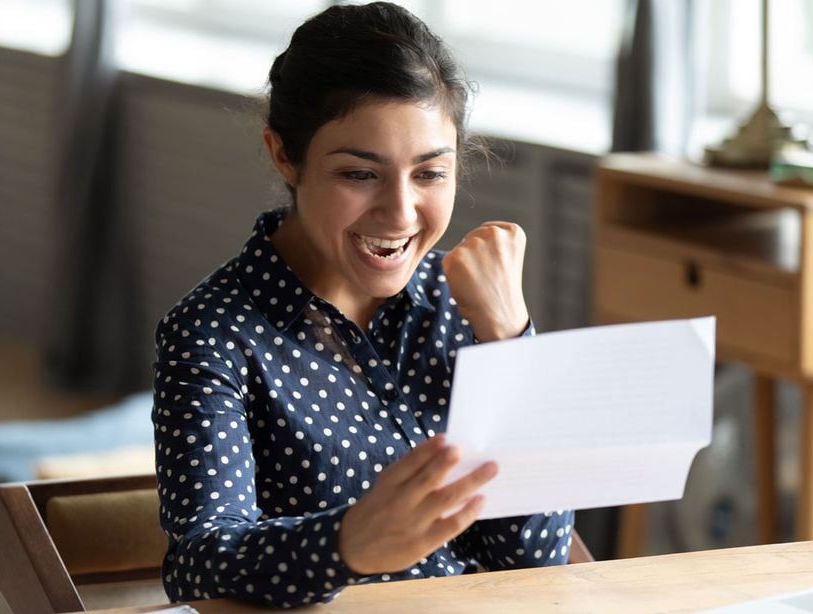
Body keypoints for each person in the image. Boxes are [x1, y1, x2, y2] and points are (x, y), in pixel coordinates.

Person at [152, 2, 574, 607]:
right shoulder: (212, 333)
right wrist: (347, 545)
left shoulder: (471, 305)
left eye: (429, 175)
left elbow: (536, 558)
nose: (400, 214)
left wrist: (512, 342)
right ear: (284, 155)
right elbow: (199, 565)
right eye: (359, 174)